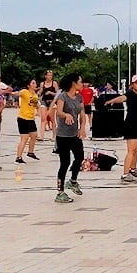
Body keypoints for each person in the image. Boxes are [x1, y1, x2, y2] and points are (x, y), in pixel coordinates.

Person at [53, 74, 88, 203]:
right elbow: (59, 112)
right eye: (80, 81)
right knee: (65, 163)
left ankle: (73, 181)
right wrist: (66, 115)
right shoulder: (63, 96)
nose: (82, 83)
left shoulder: (79, 97)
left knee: (80, 157)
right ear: (73, 83)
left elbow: (82, 114)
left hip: (75, 134)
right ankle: (60, 192)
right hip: (63, 135)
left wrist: (82, 127)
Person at [14, 76, 41, 163]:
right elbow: (18, 94)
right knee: (24, 138)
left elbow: (37, 105)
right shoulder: (25, 92)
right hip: (23, 119)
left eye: (35, 83)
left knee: (34, 135)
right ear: (28, 85)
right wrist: (11, 92)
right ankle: (18, 157)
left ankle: (30, 152)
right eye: (33, 83)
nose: (35, 84)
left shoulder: (35, 96)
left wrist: (38, 112)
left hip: (31, 119)